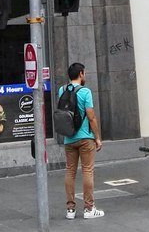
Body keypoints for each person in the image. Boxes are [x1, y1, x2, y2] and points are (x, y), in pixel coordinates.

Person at [59, 62, 103, 220]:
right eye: (84, 73)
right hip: (85, 138)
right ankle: (89, 208)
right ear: (81, 74)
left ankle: (70, 210)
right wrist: (97, 137)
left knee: (70, 171)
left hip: (68, 138)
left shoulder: (61, 90)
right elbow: (91, 116)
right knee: (87, 171)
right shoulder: (85, 92)